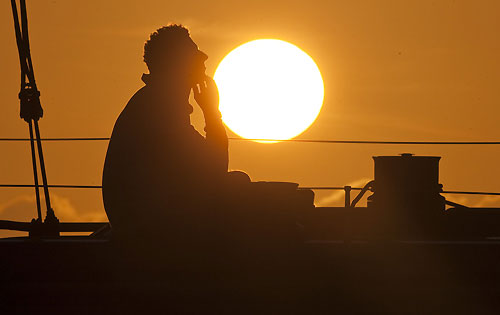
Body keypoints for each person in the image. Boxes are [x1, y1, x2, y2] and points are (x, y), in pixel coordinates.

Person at [102, 25, 241, 243]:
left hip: (145, 217)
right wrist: (212, 114)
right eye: (195, 58)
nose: (204, 64)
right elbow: (214, 169)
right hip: (150, 224)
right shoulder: (159, 107)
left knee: (238, 184)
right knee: (239, 187)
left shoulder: (155, 101)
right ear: (179, 66)